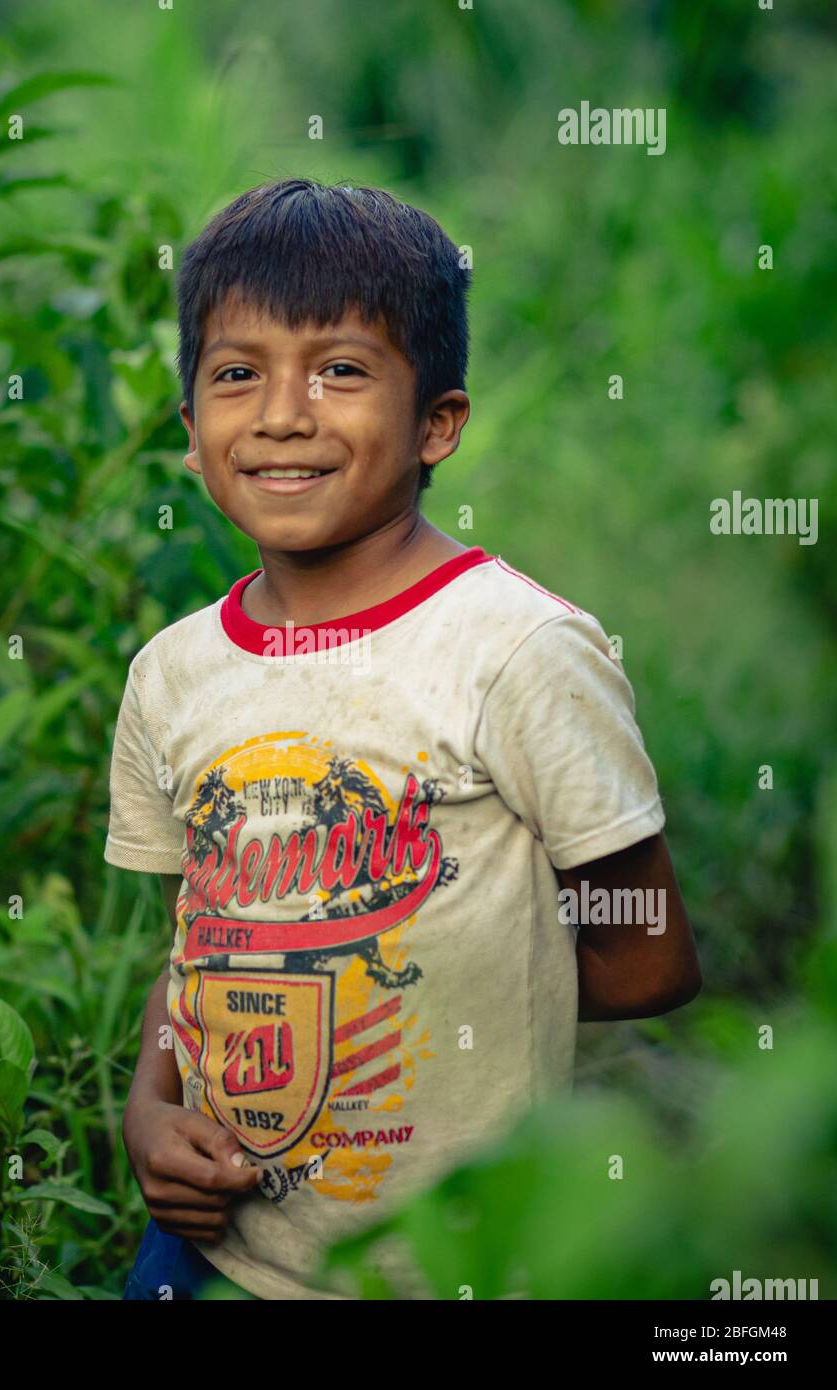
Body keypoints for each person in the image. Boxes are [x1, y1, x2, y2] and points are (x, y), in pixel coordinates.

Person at [105, 177, 702, 1301]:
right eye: (237, 374)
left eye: (339, 370)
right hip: (208, 1255)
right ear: (189, 432)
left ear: (437, 422)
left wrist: (429, 993)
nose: (282, 413)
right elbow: (204, 931)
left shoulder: (514, 650)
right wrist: (152, 1105)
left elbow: (649, 954)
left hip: (447, 1264)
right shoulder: (173, 674)